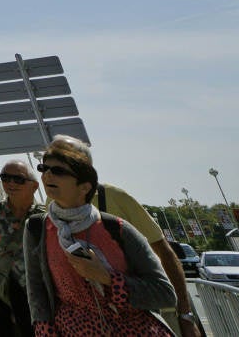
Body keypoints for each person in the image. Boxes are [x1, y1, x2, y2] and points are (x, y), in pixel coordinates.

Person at [44, 137, 204, 337]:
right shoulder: (51, 208)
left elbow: (164, 253)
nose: (49, 174)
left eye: (61, 167)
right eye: (46, 167)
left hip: (141, 315)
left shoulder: (116, 198)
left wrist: (185, 315)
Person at [0, 160, 42, 337]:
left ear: (34, 186)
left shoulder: (44, 217)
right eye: (5, 177)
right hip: (2, 293)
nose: (11, 183)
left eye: (18, 179)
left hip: (36, 294)